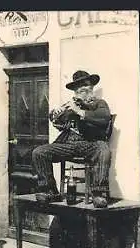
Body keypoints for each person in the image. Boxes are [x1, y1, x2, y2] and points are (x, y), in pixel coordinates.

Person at [31, 70, 112, 208]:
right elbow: (61, 124)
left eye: (87, 90)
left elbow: (104, 118)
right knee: (39, 152)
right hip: (68, 144)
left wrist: (79, 112)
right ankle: (50, 191)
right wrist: (54, 117)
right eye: (80, 91)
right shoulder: (71, 106)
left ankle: (99, 193)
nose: (84, 94)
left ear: (92, 89)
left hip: (90, 144)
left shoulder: (100, 103)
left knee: (104, 150)